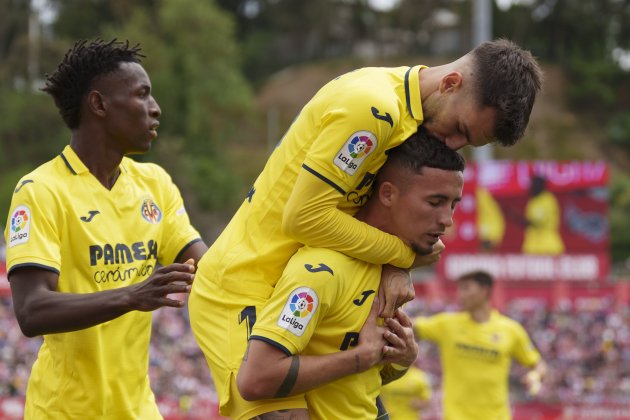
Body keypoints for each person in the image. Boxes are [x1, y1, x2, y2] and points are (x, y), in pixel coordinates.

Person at [188, 38, 543, 418]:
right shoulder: (374, 108)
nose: (454, 145)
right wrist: (404, 254)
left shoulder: (409, 121)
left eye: (467, 142)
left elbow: (378, 215)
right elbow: (305, 217)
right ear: (451, 82)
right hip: (246, 284)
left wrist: (397, 268)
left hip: (303, 283)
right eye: (459, 128)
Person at [3, 39, 208, 419]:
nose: (155, 108)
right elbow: (32, 311)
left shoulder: (155, 184)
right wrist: (131, 295)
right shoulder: (41, 192)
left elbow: (208, 268)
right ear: (98, 105)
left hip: (138, 409)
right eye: (142, 94)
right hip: (64, 412)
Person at [236, 130, 465, 419]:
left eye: (453, 204)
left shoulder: (388, 271)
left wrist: (402, 359)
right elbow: (257, 378)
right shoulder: (320, 271)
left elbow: (357, 383)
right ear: (388, 194)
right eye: (435, 202)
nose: (447, 220)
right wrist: (359, 358)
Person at [413, 271, 547, 420]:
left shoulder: (510, 330)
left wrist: (534, 375)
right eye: (459, 289)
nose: (460, 295)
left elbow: (539, 366)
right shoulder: (446, 324)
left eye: (466, 288)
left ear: (484, 290)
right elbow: (411, 326)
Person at [522, 175, 565, 254]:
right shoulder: (533, 201)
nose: (531, 187)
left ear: (541, 186)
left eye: (533, 185)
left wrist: (521, 219)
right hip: (533, 245)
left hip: (547, 246)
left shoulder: (547, 200)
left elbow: (537, 222)